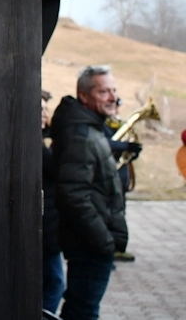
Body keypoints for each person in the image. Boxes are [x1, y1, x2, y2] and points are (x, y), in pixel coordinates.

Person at [51, 66, 129, 320]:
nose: (113, 98)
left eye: (113, 91)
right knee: (82, 311)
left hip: (92, 241)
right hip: (89, 242)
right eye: (103, 92)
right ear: (84, 96)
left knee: (82, 307)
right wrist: (103, 239)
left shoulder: (90, 128)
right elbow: (74, 195)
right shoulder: (81, 135)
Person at [104, 100, 142, 262]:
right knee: (111, 214)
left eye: (116, 106)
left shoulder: (119, 124)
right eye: (111, 106)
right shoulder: (101, 125)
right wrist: (124, 146)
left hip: (121, 176)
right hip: (108, 177)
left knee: (120, 212)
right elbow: (104, 143)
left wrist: (133, 150)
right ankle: (112, 247)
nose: (115, 109)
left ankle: (119, 247)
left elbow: (125, 152)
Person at [41, 91, 65, 315]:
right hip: (45, 223)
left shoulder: (42, 140)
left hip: (48, 221)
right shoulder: (36, 147)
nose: (44, 114)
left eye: (45, 109)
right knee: (56, 283)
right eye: (38, 109)